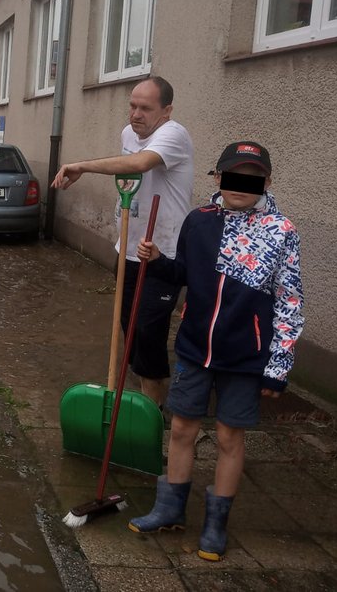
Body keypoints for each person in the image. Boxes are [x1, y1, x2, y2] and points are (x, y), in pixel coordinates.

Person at [127, 141, 303, 562]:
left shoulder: (281, 232)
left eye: (251, 176)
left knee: (228, 436)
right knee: (183, 429)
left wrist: (278, 366)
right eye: (232, 175)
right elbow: (185, 274)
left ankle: (216, 523)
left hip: (245, 358)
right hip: (193, 349)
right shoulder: (199, 221)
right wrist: (157, 263)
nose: (240, 184)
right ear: (218, 178)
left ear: (267, 182)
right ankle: (170, 508)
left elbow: (290, 301)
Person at [51, 76, 194, 407]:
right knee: (128, 325)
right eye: (132, 105)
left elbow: (140, 164)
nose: (135, 114)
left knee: (148, 332)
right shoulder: (128, 134)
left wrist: (82, 166)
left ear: (166, 110)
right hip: (128, 247)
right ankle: (138, 397)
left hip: (163, 254)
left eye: (146, 108)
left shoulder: (174, 134)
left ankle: (155, 412)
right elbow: (129, 175)